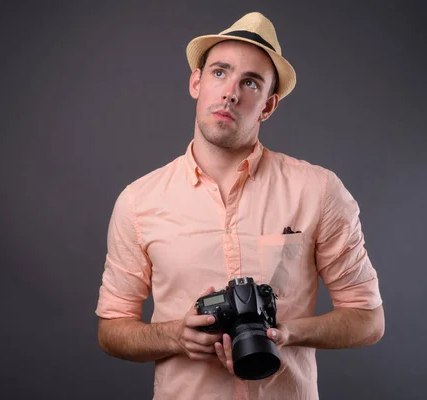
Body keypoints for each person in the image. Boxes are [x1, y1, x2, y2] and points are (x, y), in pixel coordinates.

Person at [94, 11, 384, 400]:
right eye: (219, 73)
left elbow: (369, 320)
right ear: (196, 82)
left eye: (250, 82)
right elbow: (111, 329)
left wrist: (288, 332)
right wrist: (175, 336)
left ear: (268, 106)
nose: (230, 92)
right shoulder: (138, 201)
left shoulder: (317, 191)